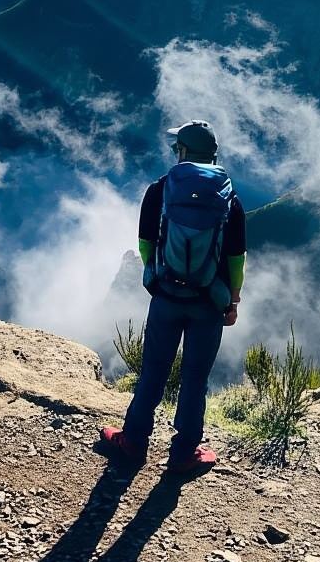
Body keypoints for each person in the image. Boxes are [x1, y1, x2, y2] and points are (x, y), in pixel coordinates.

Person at [100, 120, 246, 474]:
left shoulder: (160, 190)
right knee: (196, 378)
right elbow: (236, 258)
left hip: (166, 297)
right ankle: (184, 453)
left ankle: (133, 442)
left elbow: (146, 242)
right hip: (208, 303)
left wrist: (157, 275)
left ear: (182, 152)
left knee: (153, 371)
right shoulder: (230, 200)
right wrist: (233, 300)